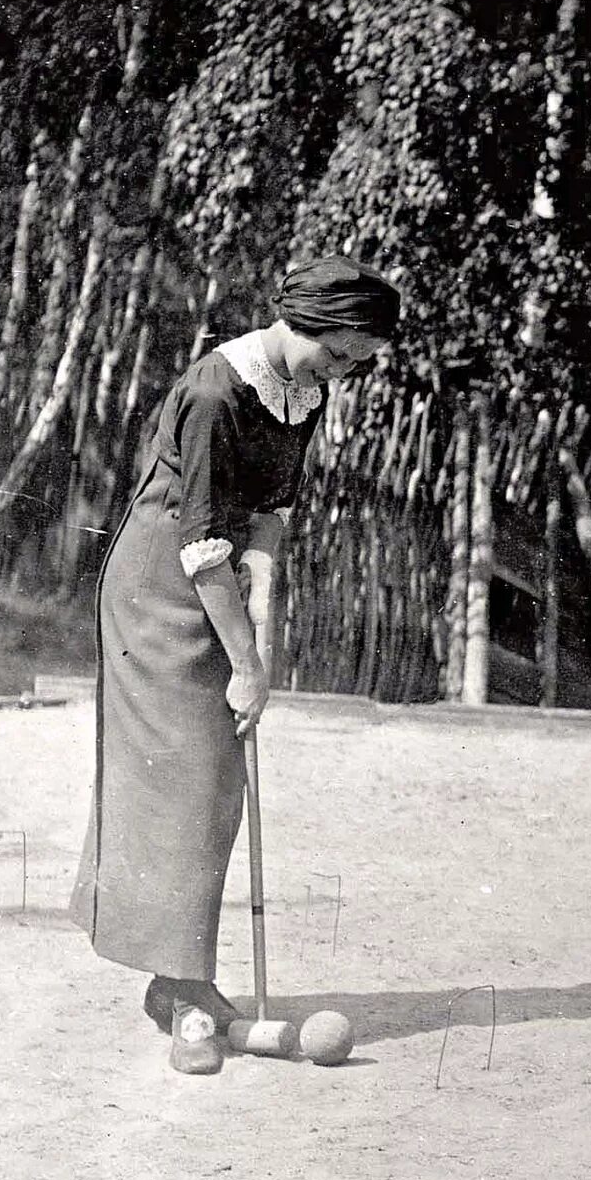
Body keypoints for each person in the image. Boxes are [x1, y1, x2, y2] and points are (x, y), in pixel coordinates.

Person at [71, 253, 401, 1073]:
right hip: (157, 591)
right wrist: (244, 663)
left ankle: (183, 981)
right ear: (309, 322)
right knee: (183, 782)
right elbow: (201, 548)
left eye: (360, 360)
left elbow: (271, 522)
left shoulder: (306, 393)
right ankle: (187, 995)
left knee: (215, 785)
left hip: (213, 580)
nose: (346, 369)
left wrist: (266, 623)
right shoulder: (218, 392)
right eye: (343, 350)